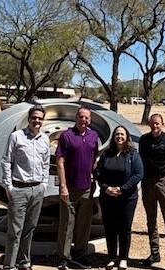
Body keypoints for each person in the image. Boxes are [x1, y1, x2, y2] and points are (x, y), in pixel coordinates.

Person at [1, 105, 50, 270]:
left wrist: (43, 184)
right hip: (19, 188)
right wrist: (9, 186)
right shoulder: (16, 136)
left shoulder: (44, 139)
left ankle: (24, 262)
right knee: (15, 230)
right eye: (34, 117)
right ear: (28, 119)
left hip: (37, 190)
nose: (37, 121)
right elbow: (6, 161)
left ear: (43, 121)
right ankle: (9, 265)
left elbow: (45, 163)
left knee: (30, 228)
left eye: (40, 118)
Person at [55, 105, 99, 270]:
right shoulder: (66, 136)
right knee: (67, 224)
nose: (84, 120)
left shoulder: (93, 136)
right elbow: (60, 161)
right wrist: (63, 186)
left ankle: (80, 254)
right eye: (81, 117)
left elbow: (94, 159)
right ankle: (64, 257)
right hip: (70, 188)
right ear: (76, 118)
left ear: (90, 119)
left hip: (87, 188)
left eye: (87, 117)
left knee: (83, 224)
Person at [95, 125, 143, 270]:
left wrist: (122, 189)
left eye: (122, 134)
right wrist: (106, 188)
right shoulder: (106, 154)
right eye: (117, 134)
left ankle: (123, 258)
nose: (119, 137)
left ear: (127, 136)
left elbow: (138, 175)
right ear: (113, 137)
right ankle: (111, 257)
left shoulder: (133, 154)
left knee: (124, 228)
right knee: (109, 228)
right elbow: (98, 173)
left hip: (127, 198)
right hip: (107, 197)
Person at [139, 113, 165, 270]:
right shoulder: (144, 140)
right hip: (147, 183)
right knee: (151, 220)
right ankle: (154, 253)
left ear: (162, 124)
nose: (155, 126)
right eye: (152, 124)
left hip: (163, 181)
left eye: (157, 124)